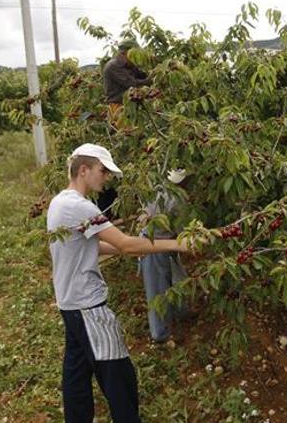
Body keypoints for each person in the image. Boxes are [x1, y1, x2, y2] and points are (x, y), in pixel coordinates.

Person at [47, 143, 188, 423]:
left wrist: (133, 246)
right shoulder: (80, 207)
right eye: (103, 171)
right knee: (119, 377)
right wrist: (178, 244)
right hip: (89, 308)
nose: (106, 177)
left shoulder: (60, 202)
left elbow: (93, 247)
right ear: (84, 170)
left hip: (71, 304)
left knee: (76, 376)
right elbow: (124, 244)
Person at [98, 38, 151, 218]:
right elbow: (133, 84)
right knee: (127, 143)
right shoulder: (113, 66)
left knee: (137, 143)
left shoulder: (129, 65)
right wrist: (153, 80)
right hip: (118, 110)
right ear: (125, 52)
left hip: (130, 109)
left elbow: (141, 75)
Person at [139, 169, 190, 343]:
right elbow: (180, 229)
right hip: (157, 245)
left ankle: (180, 312)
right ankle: (159, 334)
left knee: (174, 279)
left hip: (155, 242)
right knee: (157, 291)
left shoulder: (156, 189)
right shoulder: (178, 199)